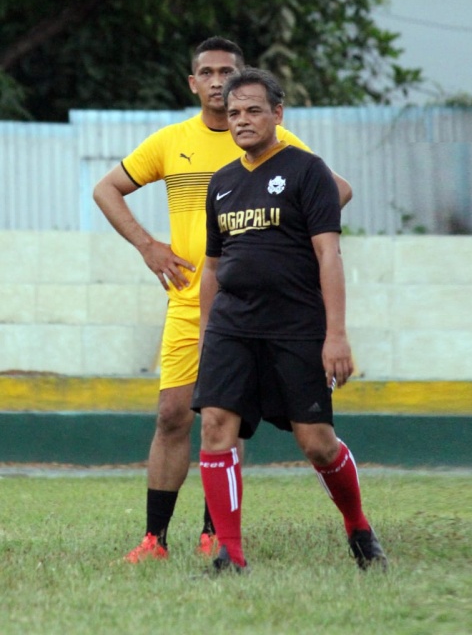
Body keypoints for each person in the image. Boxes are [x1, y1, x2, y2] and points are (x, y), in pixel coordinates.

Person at [93, 37, 353, 563]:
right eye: (207, 73)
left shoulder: (272, 138)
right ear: (193, 83)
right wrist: (148, 246)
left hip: (255, 309)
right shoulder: (171, 141)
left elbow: (336, 190)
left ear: (242, 80)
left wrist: (281, 243)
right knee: (172, 414)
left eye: (226, 72)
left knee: (228, 415)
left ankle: (216, 533)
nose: (217, 82)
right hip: (189, 303)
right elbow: (106, 189)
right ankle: (155, 539)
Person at [192, 66, 387, 573]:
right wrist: (207, 333)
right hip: (232, 326)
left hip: (295, 326)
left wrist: (336, 335)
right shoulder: (222, 183)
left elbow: (328, 256)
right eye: (234, 112)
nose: (242, 120)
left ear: (277, 114)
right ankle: (230, 553)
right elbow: (212, 267)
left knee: (316, 443)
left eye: (253, 110)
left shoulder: (307, 171)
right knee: (215, 426)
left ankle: (358, 526)